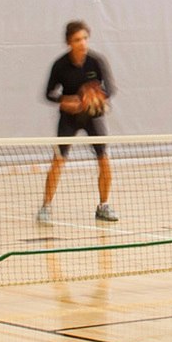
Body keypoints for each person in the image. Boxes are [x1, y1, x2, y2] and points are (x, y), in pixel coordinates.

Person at [38, 20, 118, 227]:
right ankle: (46, 207)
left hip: (93, 116)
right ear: (69, 42)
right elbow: (48, 93)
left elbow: (110, 89)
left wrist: (97, 96)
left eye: (84, 38)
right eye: (77, 40)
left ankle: (104, 206)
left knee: (104, 160)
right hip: (69, 118)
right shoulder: (60, 65)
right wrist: (65, 101)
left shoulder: (96, 62)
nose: (82, 43)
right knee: (58, 161)